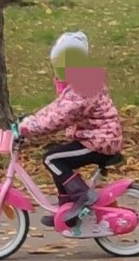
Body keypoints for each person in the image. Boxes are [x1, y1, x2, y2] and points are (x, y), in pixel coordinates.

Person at [18, 31, 123, 226]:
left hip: (100, 140)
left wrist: (30, 128)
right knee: (56, 157)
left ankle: (82, 196)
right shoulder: (78, 83)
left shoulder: (85, 85)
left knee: (52, 158)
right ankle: (66, 208)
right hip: (94, 137)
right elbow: (55, 109)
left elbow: (61, 116)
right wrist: (31, 120)